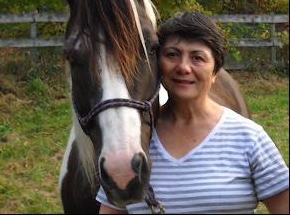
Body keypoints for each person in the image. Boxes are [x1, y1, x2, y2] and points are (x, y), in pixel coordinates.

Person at [96, 11, 289, 214]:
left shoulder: (249, 137)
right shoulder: (131, 141)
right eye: (172, 54)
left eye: (197, 57)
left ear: (215, 71)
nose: (183, 67)